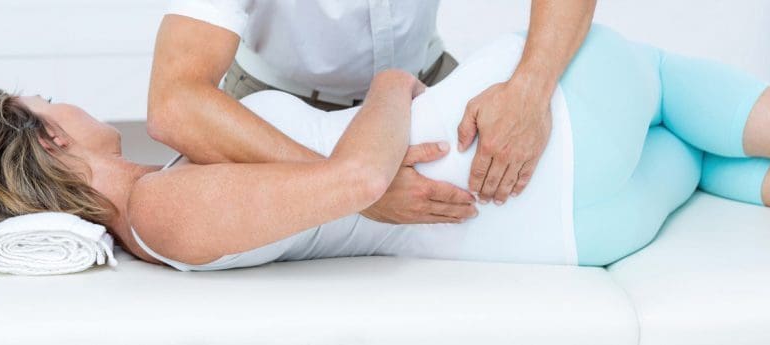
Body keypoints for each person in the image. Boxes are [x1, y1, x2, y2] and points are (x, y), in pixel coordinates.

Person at [0, 25, 770, 271]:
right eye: (45, 102)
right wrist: (397, 85)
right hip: (522, 169)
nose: (64, 100)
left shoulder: (155, 208)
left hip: (566, 224)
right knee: (654, 72)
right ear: (41, 139)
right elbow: (359, 176)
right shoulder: (155, 209)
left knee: (691, 152)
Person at [147, 0, 597, 225]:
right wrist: (349, 187)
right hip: (274, 105)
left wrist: (531, 88)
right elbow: (174, 101)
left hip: (423, 84)